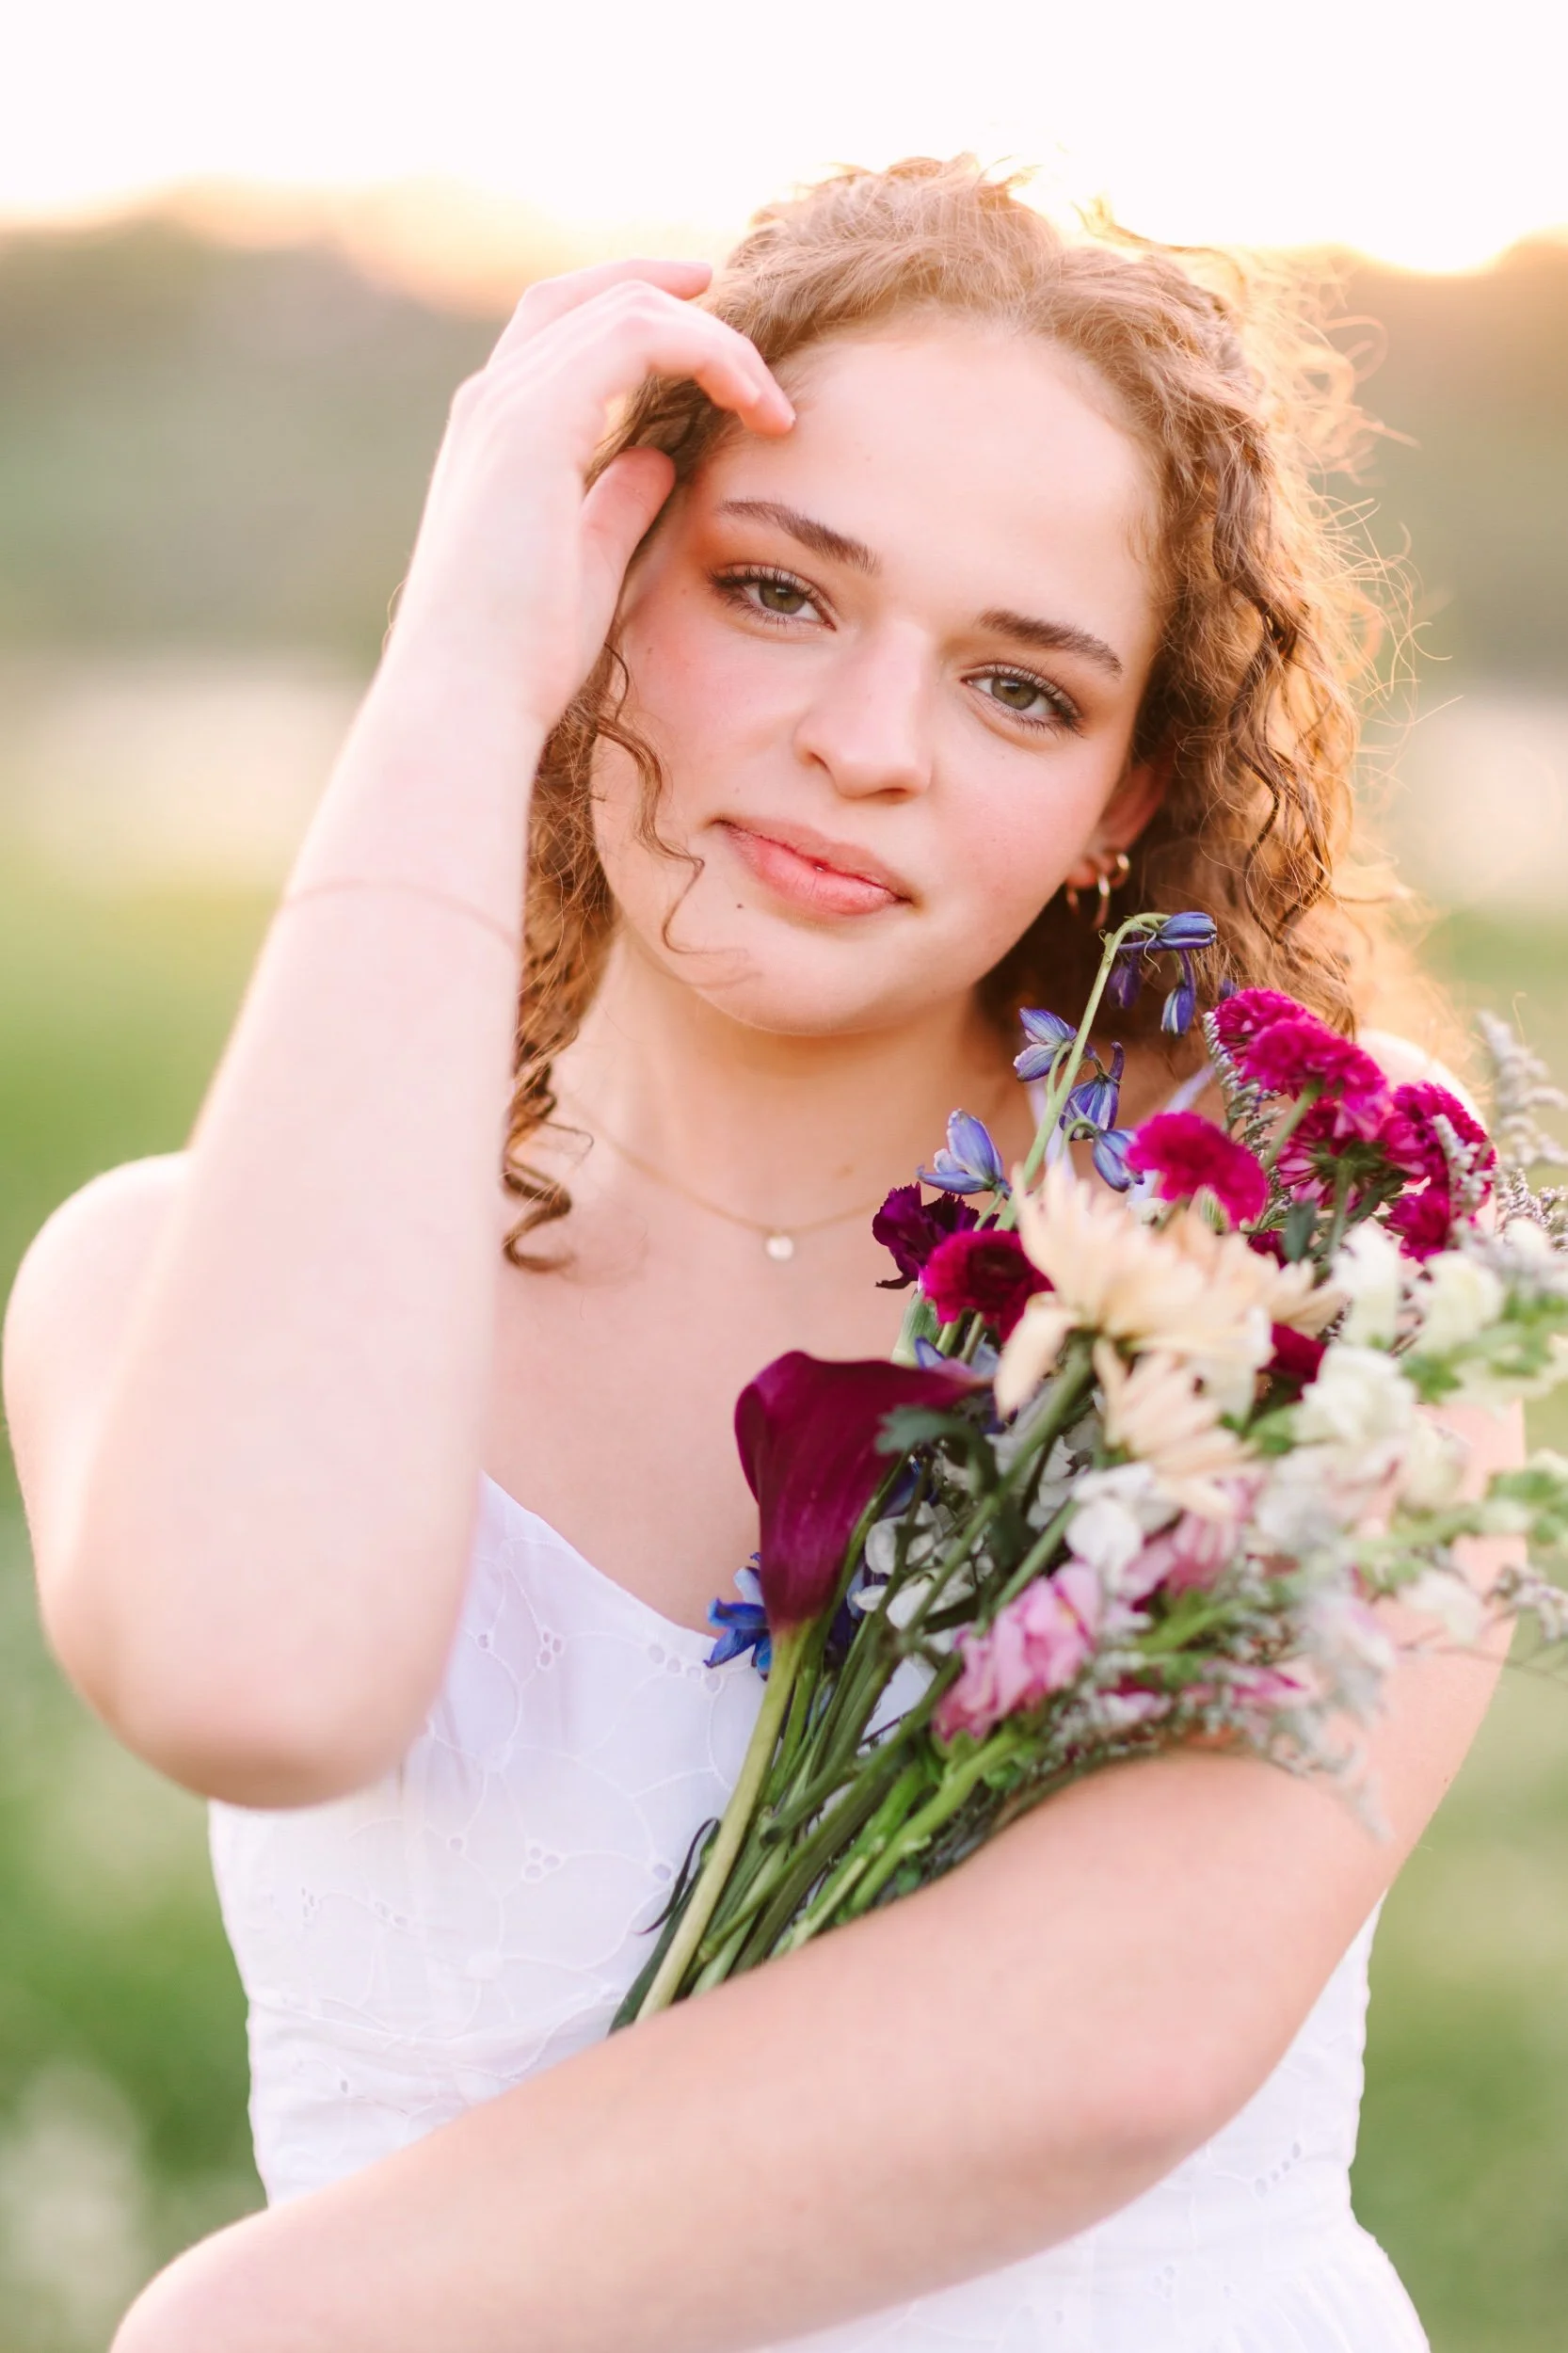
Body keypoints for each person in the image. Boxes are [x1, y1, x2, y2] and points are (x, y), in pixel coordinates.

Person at [2, 157, 1517, 2352]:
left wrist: (238, 2327)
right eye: (773, 594)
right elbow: (262, 1674)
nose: (862, 746)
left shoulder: (1303, 1242)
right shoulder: (149, 1276)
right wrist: (454, 673)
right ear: (601, 576)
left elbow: (1114, 2034)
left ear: (1124, 792)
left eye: (1019, 688)